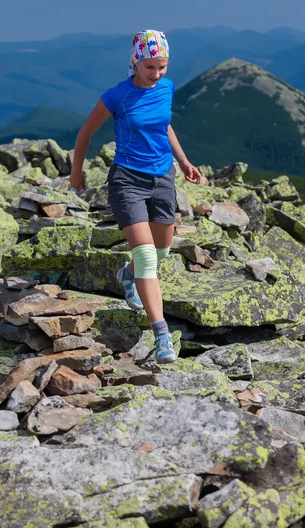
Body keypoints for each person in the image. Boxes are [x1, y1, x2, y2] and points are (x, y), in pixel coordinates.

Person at [70, 29, 201, 364]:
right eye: (149, 67)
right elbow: (86, 131)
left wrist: (184, 161)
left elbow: (164, 126)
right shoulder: (118, 96)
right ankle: (161, 335)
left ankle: (127, 274)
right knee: (147, 259)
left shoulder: (167, 88)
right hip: (127, 180)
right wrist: (76, 171)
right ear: (135, 62)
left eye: (161, 67)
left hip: (163, 178)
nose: (156, 74)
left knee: (162, 252)